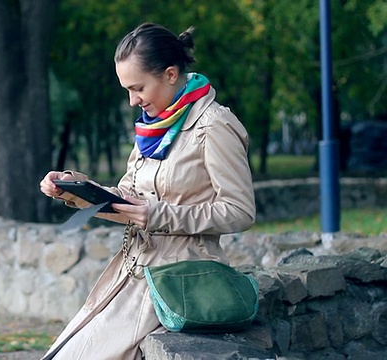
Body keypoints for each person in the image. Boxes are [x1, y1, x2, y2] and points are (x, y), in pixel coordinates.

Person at [38, 22, 256, 360]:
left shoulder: (215, 125)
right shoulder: (152, 128)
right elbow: (127, 197)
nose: (131, 100)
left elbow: (241, 210)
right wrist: (71, 188)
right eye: (127, 89)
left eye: (137, 87)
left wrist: (159, 215)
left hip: (180, 278)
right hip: (131, 272)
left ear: (170, 74)